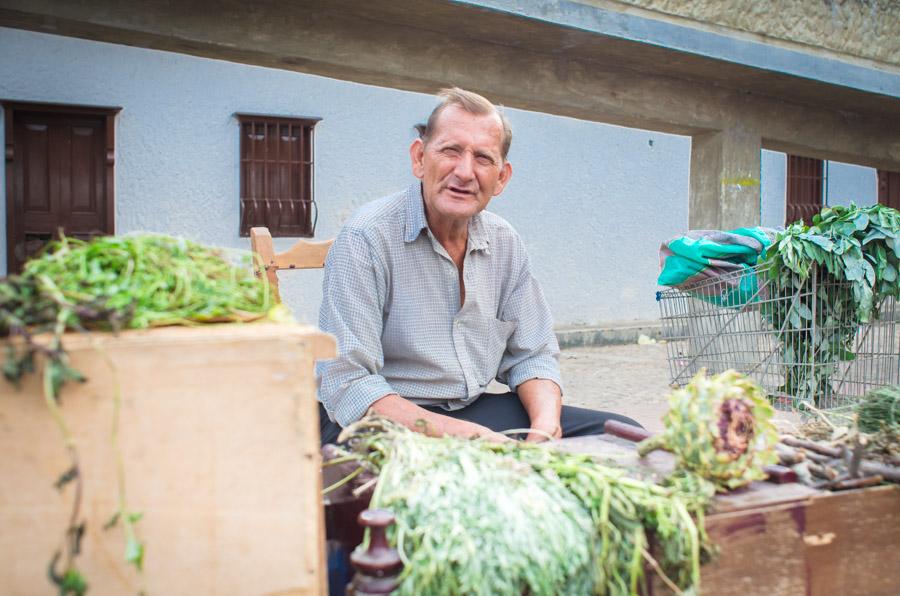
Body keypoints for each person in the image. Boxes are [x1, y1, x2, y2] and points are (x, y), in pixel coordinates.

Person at [317, 87, 640, 445]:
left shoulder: (504, 241)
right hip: (383, 421)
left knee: (620, 434)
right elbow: (348, 383)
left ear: (501, 177)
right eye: (450, 151)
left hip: (468, 411)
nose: (465, 172)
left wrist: (545, 428)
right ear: (420, 158)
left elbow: (532, 355)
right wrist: (463, 437)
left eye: (483, 158)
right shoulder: (366, 236)